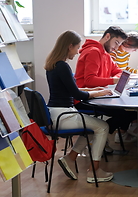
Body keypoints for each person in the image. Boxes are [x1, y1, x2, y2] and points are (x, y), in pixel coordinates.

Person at [45, 30, 114, 183]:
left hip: (56, 113)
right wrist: (98, 94)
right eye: (77, 48)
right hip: (64, 115)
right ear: (69, 46)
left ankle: (70, 158)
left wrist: (93, 90)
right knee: (103, 127)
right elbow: (77, 95)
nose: (77, 52)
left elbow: (72, 89)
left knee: (91, 130)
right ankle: (94, 172)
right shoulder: (62, 66)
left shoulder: (53, 65)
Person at [74, 26, 136, 146]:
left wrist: (117, 78)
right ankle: (100, 136)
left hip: (97, 95)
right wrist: (114, 81)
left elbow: (117, 71)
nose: (116, 48)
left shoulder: (105, 54)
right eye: (116, 43)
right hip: (84, 98)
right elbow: (89, 81)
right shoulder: (94, 52)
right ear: (107, 36)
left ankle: (102, 137)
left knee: (129, 112)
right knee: (125, 113)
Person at [109, 31, 138, 140]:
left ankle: (125, 132)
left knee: (133, 105)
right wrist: (125, 75)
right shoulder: (114, 53)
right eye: (134, 49)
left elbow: (125, 68)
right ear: (127, 45)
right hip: (113, 85)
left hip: (121, 82)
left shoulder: (126, 54)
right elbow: (112, 70)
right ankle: (123, 132)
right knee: (127, 109)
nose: (135, 51)